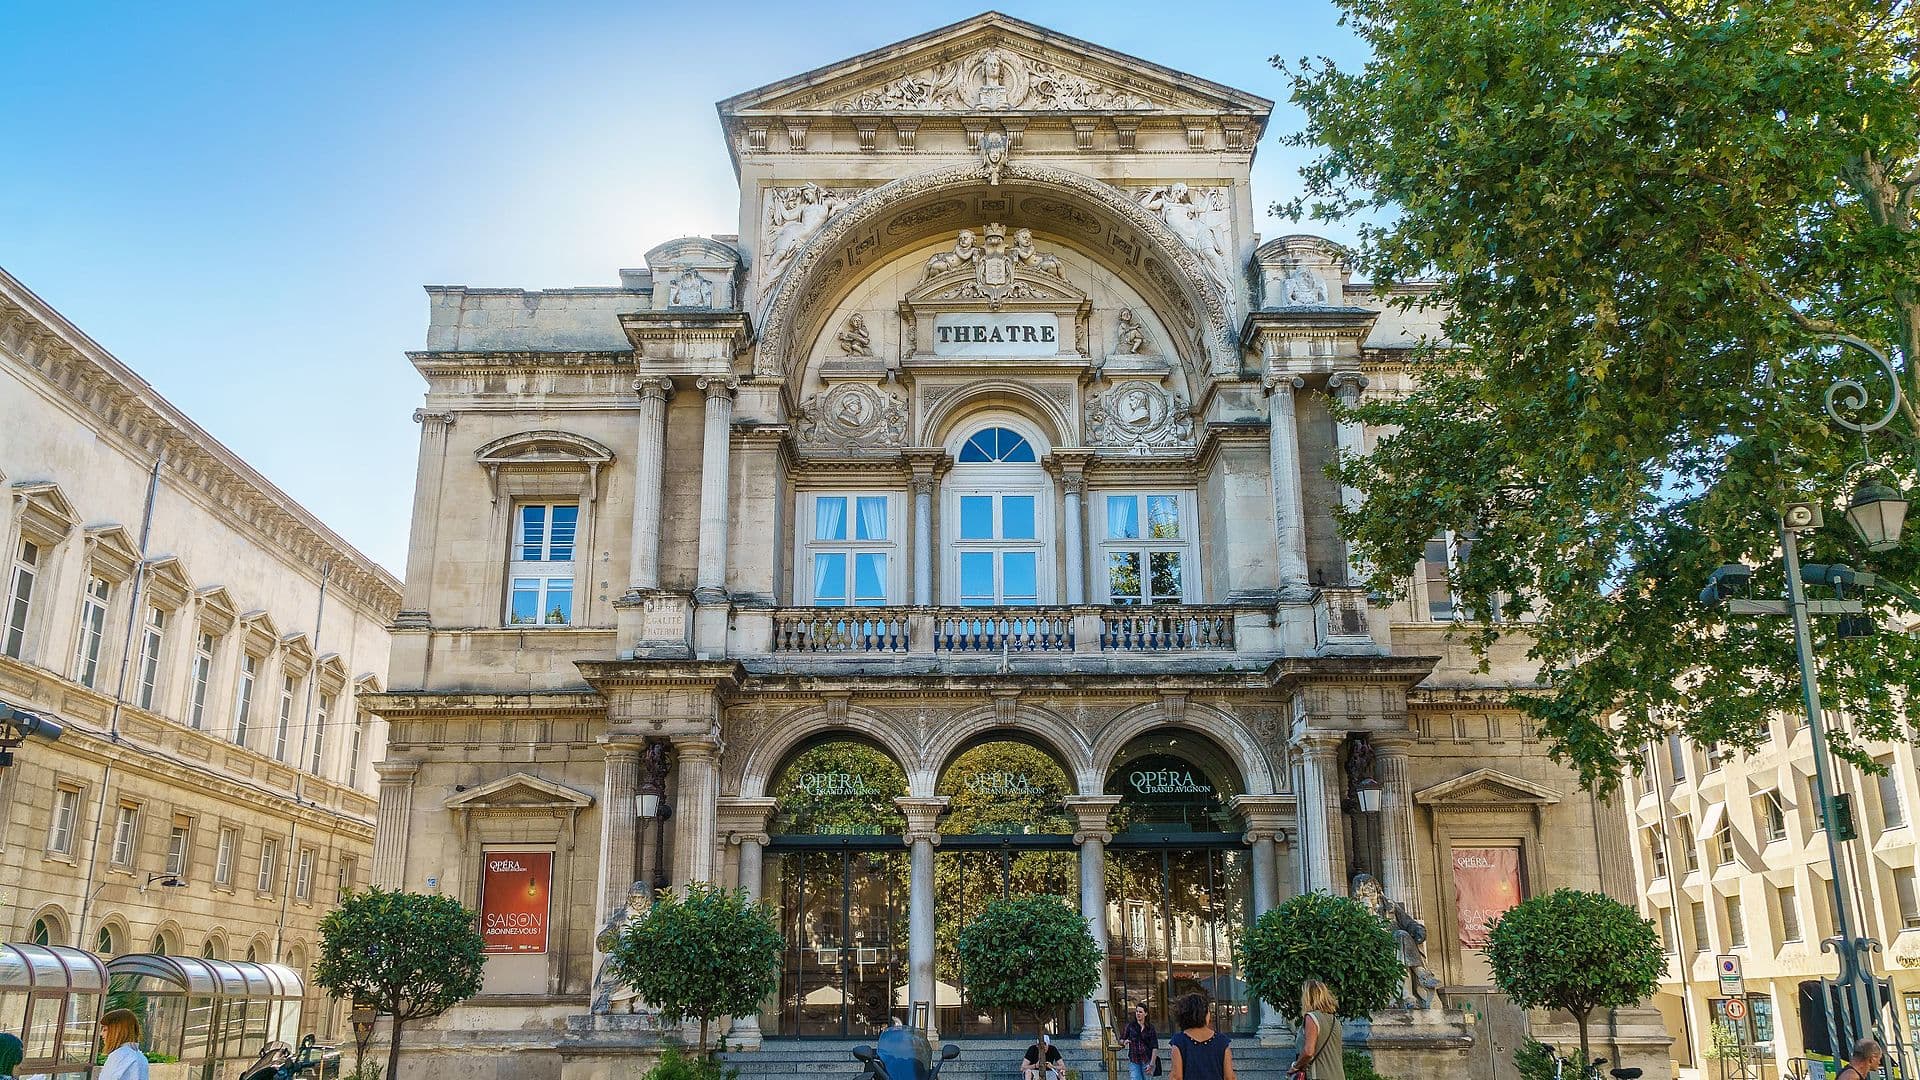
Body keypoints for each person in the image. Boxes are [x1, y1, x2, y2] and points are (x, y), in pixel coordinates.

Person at [1168, 992, 1233, 1080]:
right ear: (1205, 1014)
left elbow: (1176, 1076)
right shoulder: (1222, 1041)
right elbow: (1229, 1077)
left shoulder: (1179, 1040)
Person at [1290, 981, 1344, 1080]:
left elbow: (1309, 1052)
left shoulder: (1311, 1017)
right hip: (1337, 1075)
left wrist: (1295, 1066)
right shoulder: (1335, 1021)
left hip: (1319, 1075)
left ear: (1307, 997)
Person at [97, 1008, 149, 1080]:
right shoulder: (140, 1057)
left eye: (105, 1030)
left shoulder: (119, 1056)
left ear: (117, 1031)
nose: (101, 1034)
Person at [1123, 1002, 1159, 1080]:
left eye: (1140, 1012)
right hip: (1134, 1060)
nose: (1138, 1014)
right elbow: (1121, 1039)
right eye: (1137, 1011)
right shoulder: (1130, 1026)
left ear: (1145, 1014)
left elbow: (1155, 1046)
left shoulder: (1150, 1028)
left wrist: (1152, 1064)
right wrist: (1124, 1041)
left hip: (1147, 1060)